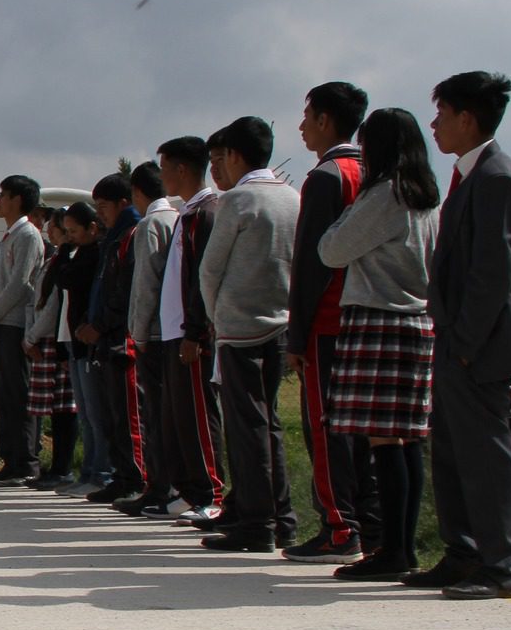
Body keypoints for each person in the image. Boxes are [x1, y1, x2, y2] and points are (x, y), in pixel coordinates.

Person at [411, 71, 511, 599]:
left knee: (485, 453)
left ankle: (501, 565)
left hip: (479, 345)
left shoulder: (496, 178)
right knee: (451, 449)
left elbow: (492, 273)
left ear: (467, 118)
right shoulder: (474, 176)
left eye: (442, 114)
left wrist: (468, 345)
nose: (435, 125)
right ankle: (463, 553)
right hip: (457, 339)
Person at [319, 107, 441, 581]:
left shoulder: (383, 194)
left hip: (377, 318)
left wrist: (343, 218)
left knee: (382, 441)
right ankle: (402, 545)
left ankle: (391, 549)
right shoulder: (427, 196)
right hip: (416, 320)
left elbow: (332, 248)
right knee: (405, 439)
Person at [196, 117, 300, 553]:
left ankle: (257, 524)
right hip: (281, 323)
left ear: (235, 155)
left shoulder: (238, 201)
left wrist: (216, 316)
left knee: (246, 427)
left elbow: (211, 269)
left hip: (239, 328)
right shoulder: (293, 198)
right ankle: (282, 516)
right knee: (269, 423)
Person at [286, 80, 371, 562]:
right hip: (362, 315)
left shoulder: (325, 177)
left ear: (324, 120)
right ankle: (365, 519)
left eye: (307, 116)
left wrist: (298, 333)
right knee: (358, 427)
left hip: (327, 319)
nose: (301, 126)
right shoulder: (369, 170)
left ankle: (339, 526)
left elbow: (311, 261)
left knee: (324, 425)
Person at [157, 136, 226, 521]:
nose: (162, 175)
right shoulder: (186, 213)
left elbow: (205, 277)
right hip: (172, 332)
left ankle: (210, 492)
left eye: (165, 167)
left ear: (182, 169)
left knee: (199, 413)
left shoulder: (208, 212)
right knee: (178, 416)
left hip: (190, 334)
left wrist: (196, 331)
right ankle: (188, 488)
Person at [118, 163, 180, 515]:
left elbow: (145, 284)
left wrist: (137, 331)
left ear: (138, 193)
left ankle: (159, 487)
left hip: (153, 333)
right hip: (172, 329)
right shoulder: (178, 218)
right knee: (169, 413)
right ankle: (169, 485)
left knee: (155, 414)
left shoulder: (151, 224)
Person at [81, 174, 146, 503]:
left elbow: (127, 292)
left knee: (128, 415)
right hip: (107, 337)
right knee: (110, 414)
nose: (99, 215)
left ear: (124, 203)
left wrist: (102, 324)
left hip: (123, 339)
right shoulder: (114, 237)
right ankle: (122, 476)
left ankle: (137, 478)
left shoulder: (132, 234)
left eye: (103, 207)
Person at [0, 176, 44, 484]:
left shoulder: (28, 235)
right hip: (1, 322)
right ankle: (10, 460)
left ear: (18, 199)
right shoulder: (9, 236)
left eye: (2, 195)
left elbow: (20, 284)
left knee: (19, 394)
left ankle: (26, 461)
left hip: (15, 324)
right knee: (5, 395)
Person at [54, 203, 109, 495]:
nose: (69, 237)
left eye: (74, 231)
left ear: (92, 228)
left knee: (96, 413)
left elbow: (66, 278)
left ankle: (101, 472)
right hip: (73, 341)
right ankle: (88, 470)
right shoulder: (80, 253)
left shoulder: (95, 255)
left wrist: (64, 252)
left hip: (89, 341)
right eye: (66, 232)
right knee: (86, 412)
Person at [26, 212, 79, 487]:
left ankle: (64, 467)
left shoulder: (67, 260)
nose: (50, 233)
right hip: (45, 338)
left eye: (56, 228)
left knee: (65, 408)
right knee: (55, 408)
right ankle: (56, 466)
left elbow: (54, 305)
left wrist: (32, 336)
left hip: (56, 339)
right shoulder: (53, 259)